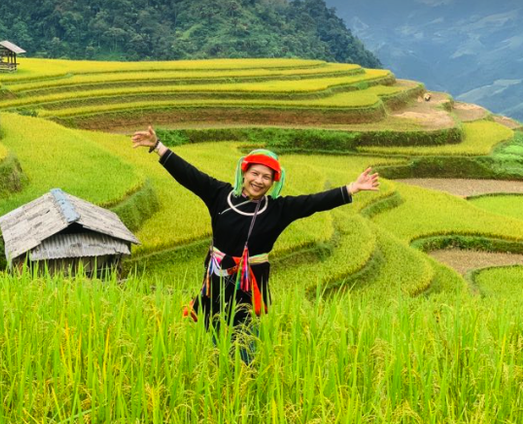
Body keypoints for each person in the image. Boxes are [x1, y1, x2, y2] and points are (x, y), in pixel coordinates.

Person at [132, 125, 380, 363]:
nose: (259, 180)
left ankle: (246, 373)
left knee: (244, 334)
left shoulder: (278, 209)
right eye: (255, 173)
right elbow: (190, 175)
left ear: (273, 182)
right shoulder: (220, 195)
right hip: (216, 276)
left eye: (266, 177)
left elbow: (314, 202)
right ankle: (214, 369)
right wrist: (158, 146)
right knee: (211, 329)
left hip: (250, 284)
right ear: (244, 173)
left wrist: (352, 188)